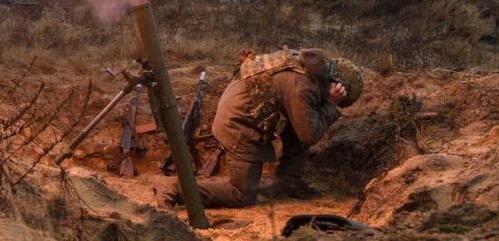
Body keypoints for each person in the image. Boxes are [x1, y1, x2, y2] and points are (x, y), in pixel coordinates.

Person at [155, 48, 363, 209]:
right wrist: (331, 105)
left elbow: (303, 126)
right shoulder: (303, 87)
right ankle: (174, 187)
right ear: (336, 84)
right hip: (237, 124)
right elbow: (309, 135)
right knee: (241, 194)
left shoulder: (306, 67)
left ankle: (287, 181)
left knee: (305, 121)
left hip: (240, 107)